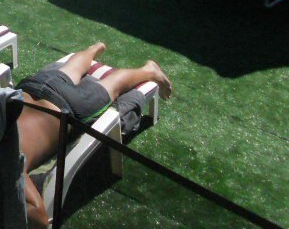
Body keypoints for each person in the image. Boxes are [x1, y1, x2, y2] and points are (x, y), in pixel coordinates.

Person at [14, 43, 173, 228]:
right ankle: (93, 50)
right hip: (32, 88)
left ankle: (149, 70)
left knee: (113, 86)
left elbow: (41, 219)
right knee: (70, 70)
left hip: (69, 106)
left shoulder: (3, 160)